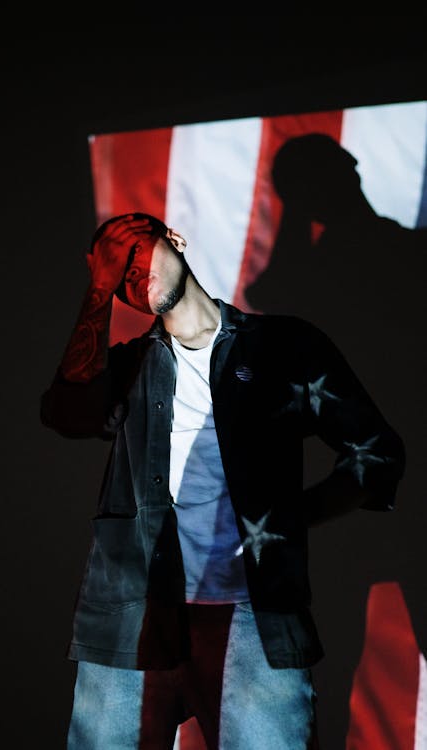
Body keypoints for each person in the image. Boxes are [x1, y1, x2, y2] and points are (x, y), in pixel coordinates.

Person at [40, 212, 406, 749]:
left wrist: (292, 516)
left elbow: (376, 452)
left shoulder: (285, 347)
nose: (130, 273)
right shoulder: (127, 369)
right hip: (130, 622)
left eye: (135, 252)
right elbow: (66, 411)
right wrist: (97, 288)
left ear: (177, 241)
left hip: (253, 621)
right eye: (115, 271)